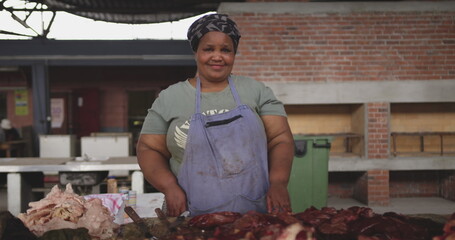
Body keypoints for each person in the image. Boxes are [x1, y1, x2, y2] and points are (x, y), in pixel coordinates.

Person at [137, 13, 294, 217]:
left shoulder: (256, 91)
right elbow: (148, 148)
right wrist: (169, 187)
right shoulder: (170, 98)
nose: (217, 56)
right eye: (209, 49)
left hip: (256, 215)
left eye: (226, 50)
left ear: (234, 54)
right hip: (190, 217)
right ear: (196, 52)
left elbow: (280, 139)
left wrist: (278, 182)